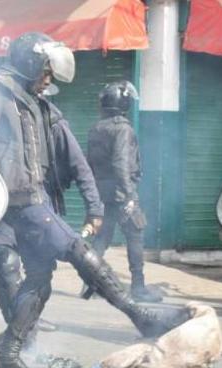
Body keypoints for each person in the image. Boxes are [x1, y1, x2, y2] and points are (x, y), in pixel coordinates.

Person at [0, 31, 189, 368]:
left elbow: (76, 163)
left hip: (32, 200)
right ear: (30, 65)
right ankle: (138, 313)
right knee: (68, 249)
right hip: (18, 200)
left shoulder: (37, 104)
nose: (48, 80)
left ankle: (11, 352)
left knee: (40, 278)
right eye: (45, 72)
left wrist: (94, 207)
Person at [0, 79, 104, 335]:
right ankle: (19, 327)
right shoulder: (14, 125)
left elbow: (80, 168)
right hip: (14, 208)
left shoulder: (55, 125)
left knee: (39, 271)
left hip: (43, 208)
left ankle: (25, 326)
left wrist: (94, 210)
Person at [87, 81, 162, 303]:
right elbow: (121, 162)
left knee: (102, 239)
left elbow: (90, 162)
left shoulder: (96, 128)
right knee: (135, 235)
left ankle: (88, 283)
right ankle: (138, 287)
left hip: (103, 191)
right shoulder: (123, 129)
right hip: (121, 192)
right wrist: (130, 194)